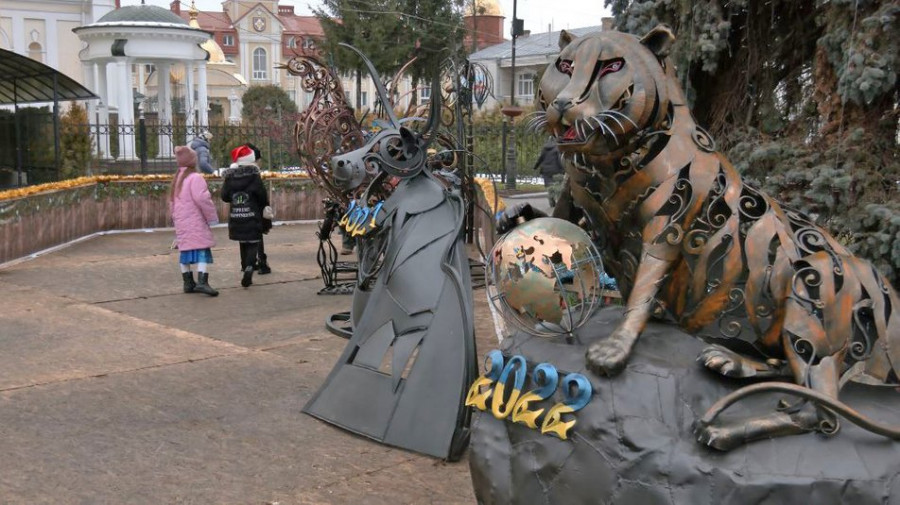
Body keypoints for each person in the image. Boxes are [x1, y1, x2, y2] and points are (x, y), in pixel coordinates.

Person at [169, 145, 219, 296]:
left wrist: (176, 219)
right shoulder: (195, 178)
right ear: (192, 161)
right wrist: (211, 217)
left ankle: (188, 282)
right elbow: (203, 199)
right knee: (202, 249)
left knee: (185, 251)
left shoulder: (177, 179)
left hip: (182, 222)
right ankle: (202, 282)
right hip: (196, 220)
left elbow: (172, 203)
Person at [222, 144, 270, 287]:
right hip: (252, 214)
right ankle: (250, 266)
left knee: (242, 241)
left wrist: (234, 199)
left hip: (236, 216)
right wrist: (264, 207)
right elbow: (262, 195)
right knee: (253, 241)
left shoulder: (230, 177)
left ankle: (244, 266)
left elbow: (224, 196)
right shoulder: (254, 176)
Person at [533, 137, 564, 207]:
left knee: (549, 185)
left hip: (545, 170)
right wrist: (563, 169)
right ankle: (558, 199)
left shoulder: (545, 148)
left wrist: (535, 166)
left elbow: (540, 158)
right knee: (557, 185)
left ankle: (551, 200)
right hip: (556, 170)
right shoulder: (557, 148)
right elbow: (559, 159)